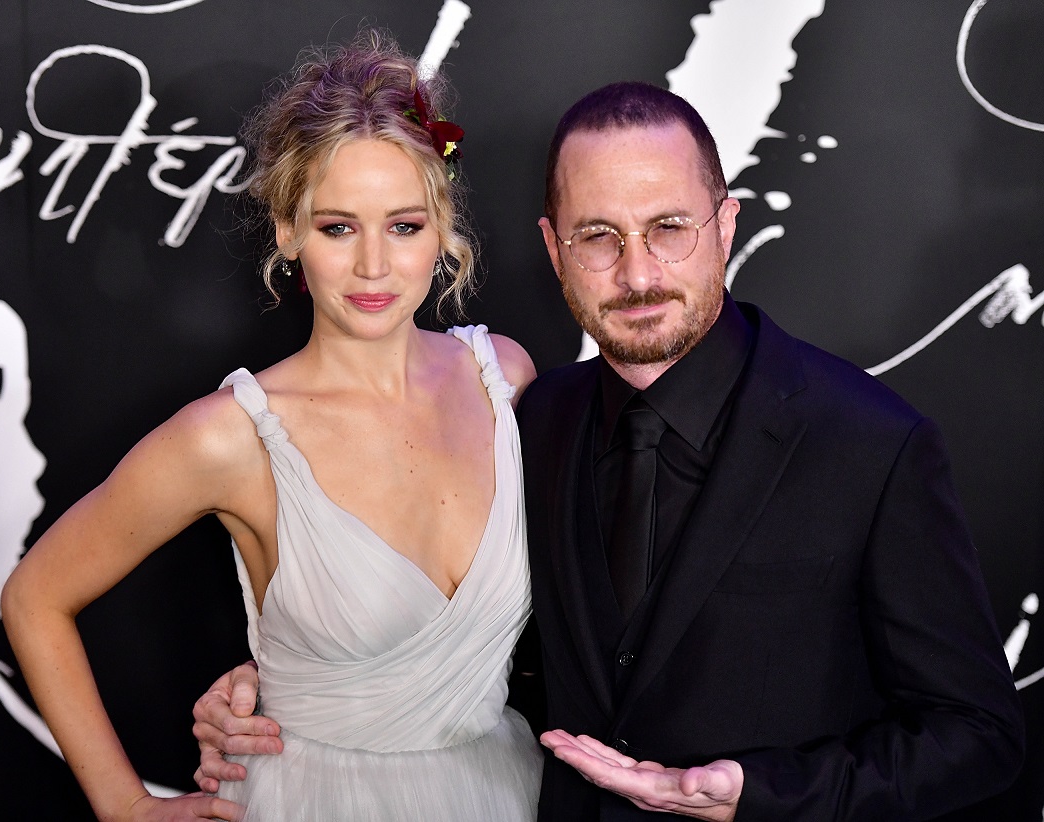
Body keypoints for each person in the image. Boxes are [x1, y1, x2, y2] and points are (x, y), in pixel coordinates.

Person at [192, 81, 1025, 821]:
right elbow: (503, 656)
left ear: (725, 225)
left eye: (668, 228)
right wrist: (299, 686)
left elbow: (980, 737)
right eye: (599, 236)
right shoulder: (532, 414)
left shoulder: (871, 446)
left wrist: (764, 794)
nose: (637, 273)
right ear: (555, 250)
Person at [1, 31, 541, 822]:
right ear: (287, 230)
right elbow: (34, 597)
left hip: (501, 793)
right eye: (336, 227)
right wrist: (125, 807)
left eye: (403, 225)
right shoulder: (233, 437)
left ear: (441, 225)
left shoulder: (507, 378)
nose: (373, 268)